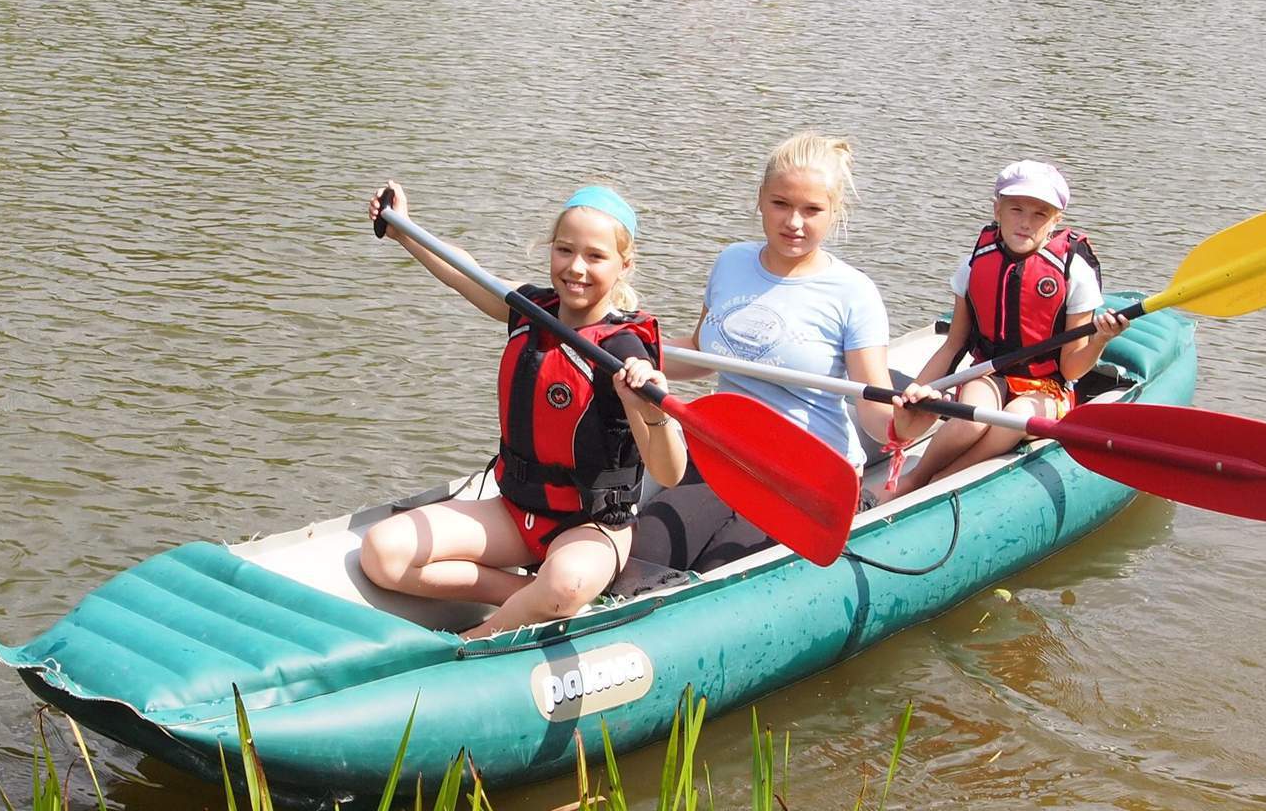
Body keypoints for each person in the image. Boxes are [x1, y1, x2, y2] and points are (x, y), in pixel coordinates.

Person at [359, 182, 687, 638]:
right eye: (565, 250)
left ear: (624, 265)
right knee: (382, 552)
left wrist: (649, 407)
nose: (575, 268)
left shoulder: (626, 351)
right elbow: (464, 272)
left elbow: (669, 472)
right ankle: (520, 593)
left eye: (595, 256)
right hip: (517, 513)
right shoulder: (533, 308)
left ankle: (472, 642)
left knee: (566, 583)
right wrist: (404, 230)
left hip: (592, 528)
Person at [631, 133, 937, 573]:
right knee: (646, 555)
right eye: (781, 204)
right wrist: (633, 352)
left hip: (806, 476)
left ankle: (860, 505)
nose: (794, 222)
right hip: (726, 455)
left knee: (723, 567)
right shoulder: (731, 262)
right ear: (760, 199)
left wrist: (904, 424)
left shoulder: (853, 292)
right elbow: (698, 354)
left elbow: (872, 408)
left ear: (834, 213)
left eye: (812, 210)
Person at [888, 160, 1127, 496]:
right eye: (1016, 209)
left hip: (1047, 388)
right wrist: (918, 389)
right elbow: (953, 343)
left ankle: (941, 484)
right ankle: (915, 478)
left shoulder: (1075, 273)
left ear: (1056, 220)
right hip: (989, 374)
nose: (1026, 223)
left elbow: (1071, 366)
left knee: (1012, 418)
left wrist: (1101, 338)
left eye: (1040, 214)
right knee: (973, 418)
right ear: (997, 209)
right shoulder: (974, 265)